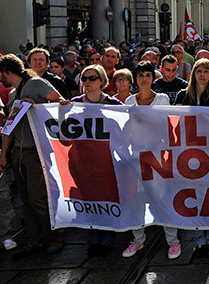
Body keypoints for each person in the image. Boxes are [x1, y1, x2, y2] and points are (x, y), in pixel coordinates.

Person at [0, 54, 67, 257]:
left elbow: (62, 104)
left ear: (6, 72)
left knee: (38, 197)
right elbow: (9, 128)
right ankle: (33, 239)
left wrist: (36, 106)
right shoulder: (13, 94)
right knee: (26, 199)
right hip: (19, 150)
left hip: (36, 149)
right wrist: (4, 155)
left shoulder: (36, 83)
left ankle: (55, 235)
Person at [121, 61, 180, 259]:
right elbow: (125, 130)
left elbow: (166, 126)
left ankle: (173, 241)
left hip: (157, 157)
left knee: (161, 198)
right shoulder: (129, 101)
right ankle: (138, 240)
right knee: (135, 199)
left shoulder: (162, 99)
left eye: (147, 75)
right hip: (135, 158)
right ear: (135, 79)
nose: (144, 79)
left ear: (153, 78)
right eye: (140, 75)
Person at [174, 59, 209, 256]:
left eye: (206, 71)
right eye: (199, 71)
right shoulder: (182, 95)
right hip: (189, 153)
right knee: (194, 195)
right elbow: (176, 124)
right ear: (193, 73)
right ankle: (199, 238)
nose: (202, 74)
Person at [71, 65, 123, 255]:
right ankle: (94, 235)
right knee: (89, 197)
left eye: (92, 78)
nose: (88, 82)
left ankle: (108, 236)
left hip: (107, 161)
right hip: (84, 161)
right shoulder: (74, 103)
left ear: (102, 80)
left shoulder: (114, 104)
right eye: (84, 78)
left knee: (108, 196)